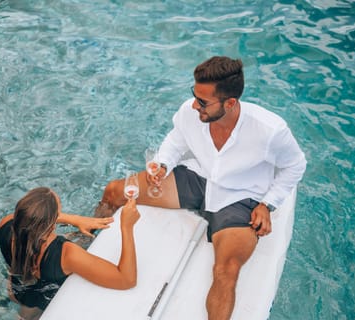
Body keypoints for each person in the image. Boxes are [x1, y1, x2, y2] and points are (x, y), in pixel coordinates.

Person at [95, 56, 307, 320]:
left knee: (226, 270)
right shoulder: (190, 111)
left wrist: (268, 204)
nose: (195, 105)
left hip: (240, 199)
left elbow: (295, 166)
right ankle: (90, 235)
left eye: (203, 101)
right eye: (194, 95)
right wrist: (163, 164)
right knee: (114, 190)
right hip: (197, 178)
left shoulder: (271, 130)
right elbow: (177, 139)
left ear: (230, 103)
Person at [0, 187, 140, 320]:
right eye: (58, 213)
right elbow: (126, 280)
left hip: (16, 291)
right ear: (53, 225)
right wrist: (127, 226)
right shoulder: (67, 254)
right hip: (41, 302)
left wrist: (75, 219)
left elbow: (26, 218)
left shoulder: (5, 225)